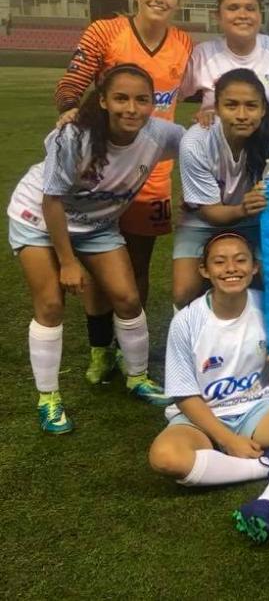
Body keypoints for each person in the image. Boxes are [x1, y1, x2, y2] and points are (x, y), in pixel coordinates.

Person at [7, 64, 184, 433]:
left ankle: (136, 377)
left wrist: (212, 121)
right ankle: (49, 398)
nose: (131, 109)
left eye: (142, 100)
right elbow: (51, 199)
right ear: (102, 100)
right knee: (51, 304)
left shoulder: (159, 134)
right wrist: (69, 262)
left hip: (96, 226)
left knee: (127, 298)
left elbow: (202, 144)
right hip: (38, 218)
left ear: (154, 104)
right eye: (120, 98)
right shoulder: (74, 136)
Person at [54, 0, 192, 384]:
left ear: (178, 1)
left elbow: (197, 91)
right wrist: (72, 114)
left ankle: (129, 347)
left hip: (148, 174)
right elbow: (69, 87)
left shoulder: (184, 42)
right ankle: (100, 350)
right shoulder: (104, 32)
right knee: (97, 263)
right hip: (100, 171)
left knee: (137, 265)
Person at [149, 232, 269, 544]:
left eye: (240, 260)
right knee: (165, 458)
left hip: (255, 411)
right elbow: (183, 394)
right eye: (219, 262)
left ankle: (267, 503)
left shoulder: (268, 308)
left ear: (255, 267)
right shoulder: (187, 322)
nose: (231, 268)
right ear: (204, 270)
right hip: (198, 420)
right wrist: (228, 440)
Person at [173, 68, 269, 308]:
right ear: (216, 108)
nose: (242, 114)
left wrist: (252, 211)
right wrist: (243, 209)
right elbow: (209, 212)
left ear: (263, 109)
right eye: (231, 105)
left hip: (257, 222)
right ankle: (190, 340)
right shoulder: (195, 142)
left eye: (251, 106)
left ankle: (264, 341)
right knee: (183, 292)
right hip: (202, 222)